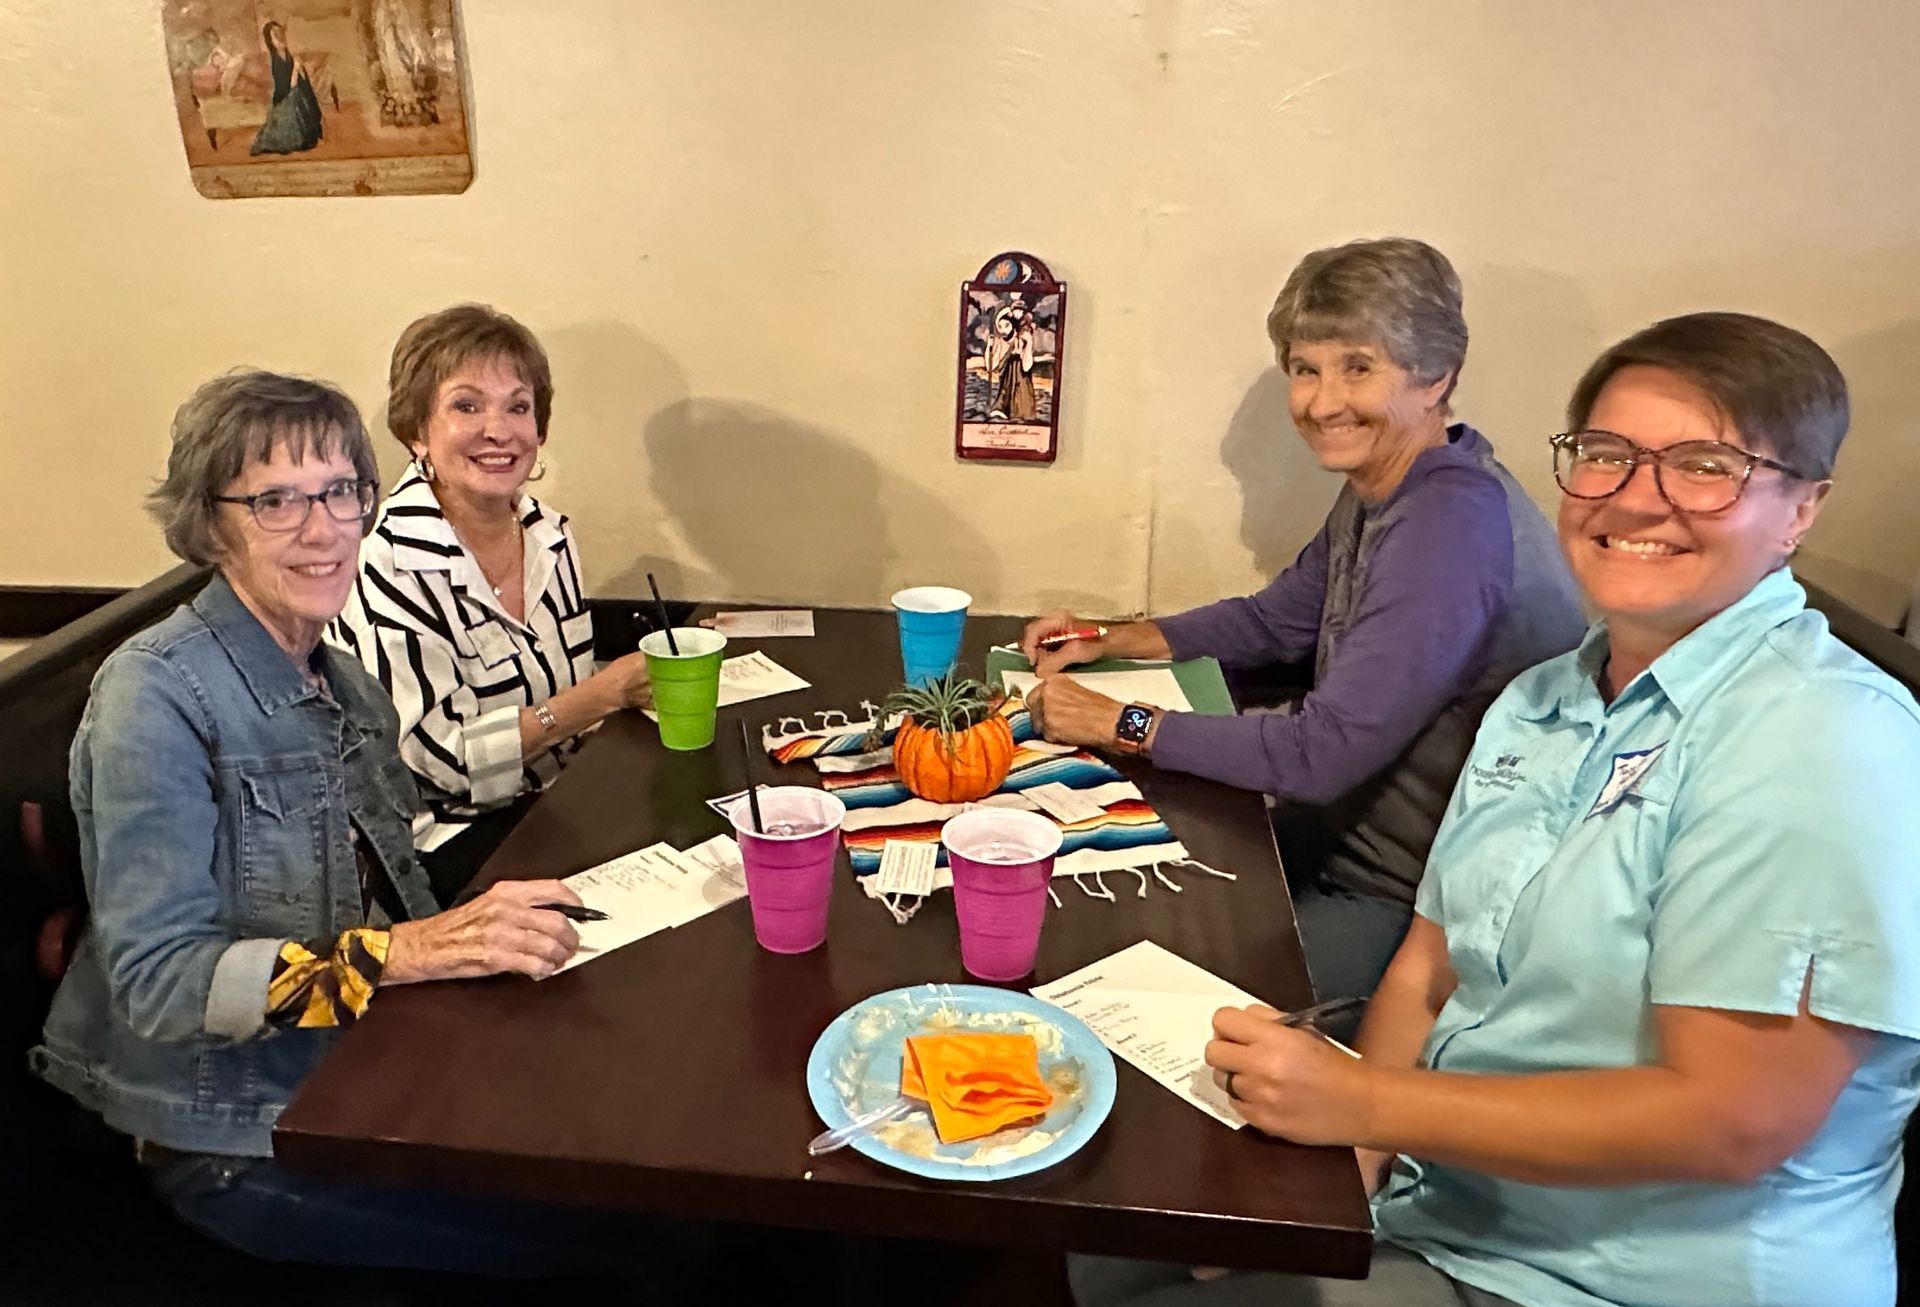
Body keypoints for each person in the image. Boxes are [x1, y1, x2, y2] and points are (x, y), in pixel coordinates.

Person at [1075, 312, 1920, 1307]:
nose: (1635, 496)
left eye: (1704, 467)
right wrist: (1347, 1172)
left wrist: (1365, 1102)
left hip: (1612, 1276)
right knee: (1102, 1230)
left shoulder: (1822, 736)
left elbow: (1736, 1120)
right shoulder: (1543, 697)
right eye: (1606, 454)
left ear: (1801, 508)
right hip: (1454, 1194)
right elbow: (1430, 965)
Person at [28, 370, 702, 1278]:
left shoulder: (341, 681)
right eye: (276, 501)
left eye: (341, 491)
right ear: (212, 524)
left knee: (648, 1127)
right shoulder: (154, 695)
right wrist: (410, 952)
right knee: (640, 1245)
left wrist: (474, 942)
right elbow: (161, 983)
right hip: (237, 1137)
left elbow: (394, 889)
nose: (323, 530)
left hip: (364, 1070)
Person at [1023, 238, 1583, 1000]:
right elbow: (1276, 623)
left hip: (1417, 902)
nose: (1322, 403)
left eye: (1358, 367)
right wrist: (1110, 639)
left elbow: (1321, 752)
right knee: (1084, 892)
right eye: (1305, 369)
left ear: (1436, 376)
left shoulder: (1450, 523)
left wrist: (1119, 722)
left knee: (1143, 990)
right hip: (1330, 839)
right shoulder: (1388, 481)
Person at [329, 305, 651, 904]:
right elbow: (439, 764)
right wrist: (604, 695)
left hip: (559, 804)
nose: (499, 431)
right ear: (417, 432)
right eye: (467, 406)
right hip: (444, 842)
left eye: (518, 407)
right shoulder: (384, 559)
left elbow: (567, 699)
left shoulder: (549, 533)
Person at [248, 21, 323, 155]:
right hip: (284, 99)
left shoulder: (288, 56)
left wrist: (300, 68)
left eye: (281, 34)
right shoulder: (277, 61)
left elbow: (300, 81)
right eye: (276, 36)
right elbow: (289, 86)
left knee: (304, 98)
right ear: (271, 42)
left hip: (293, 95)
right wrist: (296, 68)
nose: (281, 39)